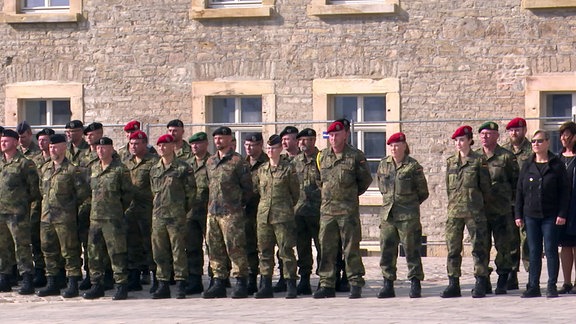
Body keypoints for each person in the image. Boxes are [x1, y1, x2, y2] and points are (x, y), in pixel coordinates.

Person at [314, 119, 372, 299]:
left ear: (345, 135)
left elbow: (364, 181)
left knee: (351, 248)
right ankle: (326, 284)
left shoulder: (355, 156)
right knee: (327, 248)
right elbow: (319, 180)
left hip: (347, 212)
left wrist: (348, 196)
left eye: (337, 135)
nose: (333, 138)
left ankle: (354, 282)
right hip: (327, 212)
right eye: (330, 135)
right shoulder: (322, 156)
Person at [515, 129, 570, 298]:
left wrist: (562, 213)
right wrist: (518, 214)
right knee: (533, 250)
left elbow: (565, 191)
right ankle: (533, 285)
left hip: (551, 214)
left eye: (539, 141)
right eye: (533, 141)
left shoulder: (556, 165)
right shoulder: (527, 165)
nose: (535, 144)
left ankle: (552, 285)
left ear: (547, 142)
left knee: (551, 250)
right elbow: (519, 191)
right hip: (531, 215)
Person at [36, 134, 90, 298]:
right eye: (51, 146)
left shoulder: (73, 170)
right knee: (48, 250)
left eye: (56, 146)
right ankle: (52, 282)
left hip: (65, 219)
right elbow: (41, 190)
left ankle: (73, 283)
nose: (52, 149)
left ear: (64, 147)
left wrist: (68, 207)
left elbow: (81, 193)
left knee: (70, 251)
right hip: (46, 217)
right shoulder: (45, 168)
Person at [376, 132, 429, 298]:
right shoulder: (383, 165)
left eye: (397, 145)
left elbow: (423, 191)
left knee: (411, 250)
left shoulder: (413, 166)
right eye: (391, 146)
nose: (394, 148)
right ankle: (388, 283)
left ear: (404, 146)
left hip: (408, 216)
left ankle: (415, 282)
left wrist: (409, 205)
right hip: (388, 215)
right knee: (387, 250)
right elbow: (381, 187)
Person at [203, 126, 253, 299]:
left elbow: (247, 188)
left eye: (221, 138)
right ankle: (219, 281)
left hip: (231, 213)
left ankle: (240, 281)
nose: (218, 141)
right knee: (214, 248)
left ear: (229, 139)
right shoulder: (210, 162)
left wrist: (237, 205)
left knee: (235, 247)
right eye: (215, 138)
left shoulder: (238, 162)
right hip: (213, 212)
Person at [441, 125, 491, 299]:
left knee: (479, 248)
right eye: (456, 141)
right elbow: (449, 188)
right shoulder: (450, 162)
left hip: (474, 212)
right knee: (453, 248)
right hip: (454, 212)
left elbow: (486, 188)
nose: (459, 144)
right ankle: (453, 283)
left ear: (470, 140)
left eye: (462, 140)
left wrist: (479, 205)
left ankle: (480, 281)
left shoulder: (479, 161)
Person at [82, 137, 133, 300]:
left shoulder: (120, 169)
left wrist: (117, 209)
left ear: (111, 149)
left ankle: (121, 285)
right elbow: (88, 192)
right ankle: (97, 284)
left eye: (104, 148)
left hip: (113, 219)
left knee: (116, 253)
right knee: (94, 253)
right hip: (95, 218)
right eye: (98, 148)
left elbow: (127, 195)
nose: (100, 150)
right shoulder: (93, 168)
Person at [149, 134, 196, 299]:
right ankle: (163, 283)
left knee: (178, 250)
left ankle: (181, 282)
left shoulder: (183, 168)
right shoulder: (154, 169)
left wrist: (182, 210)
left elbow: (191, 193)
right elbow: (152, 192)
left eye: (165, 145)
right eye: (159, 145)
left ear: (172, 146)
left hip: (176, 216)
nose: (162, 148)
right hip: (158, 216)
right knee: (159, 251)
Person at [253, 134, 300, 299]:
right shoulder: (262, 170)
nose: (270, 151)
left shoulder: (288, 169)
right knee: (264, 252)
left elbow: (295, 193)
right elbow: (258, 191)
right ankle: (265, 284)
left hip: (282, 217)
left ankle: (290, 284)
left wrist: (285, 207)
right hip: (264, 217)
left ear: (280, 149)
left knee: (286, 251)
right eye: (268, 148)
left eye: (273, 148)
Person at [476, 121, 519, 295]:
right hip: (480, 211)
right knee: (481, 246)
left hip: (502, 210)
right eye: (482, 134)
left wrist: (513, 205)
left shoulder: (506, 157)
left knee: (503, 246)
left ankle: (503, 279)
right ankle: (483, 279)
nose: (485, 137)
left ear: (496, 136)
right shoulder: (475, 157)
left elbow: (515, 183)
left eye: (489, 134)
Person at [0, 129, 41, 294]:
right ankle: (4, 277)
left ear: (16, 142)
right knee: (3, 246)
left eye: (7, 141)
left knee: (21, 246)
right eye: (2, 141)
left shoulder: (25, 163)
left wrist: (22, 204)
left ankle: (27, 278)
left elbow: (34, 190)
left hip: (18, 213)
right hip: (1, 212)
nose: (3, 143)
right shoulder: (1, 162)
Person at [124, 130, 159, 293]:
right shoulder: (126, 162)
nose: (133, 147)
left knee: (150, 245)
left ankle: (156, 277)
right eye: (131, 144)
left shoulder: (154, 162)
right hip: (130, 211)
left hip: (148, 210)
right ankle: (134, 277)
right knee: (132, 244)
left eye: (137, 143)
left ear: (145, 144)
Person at [502, 117, 532, 290]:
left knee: (527, 240)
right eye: (511, 130)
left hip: (527, 202)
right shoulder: (504, 151)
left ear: (524, 130)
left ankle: (531, 275)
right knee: (511, 240)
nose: (514, 133)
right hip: (508, 203)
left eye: (517, 130)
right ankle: (512, 274)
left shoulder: (531, 150)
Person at [292, 128, 321, 295]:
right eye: (300, 140)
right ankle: (304, 278)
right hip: (299, 212)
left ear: (314, 140)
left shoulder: (322, 159)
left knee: (322, 247)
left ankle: (324, 279)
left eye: (306, 140)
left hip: (317, 212)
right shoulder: (295, 162)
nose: (302, 143)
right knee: (302, 247)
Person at [184, 132, 211, 295]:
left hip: (208, 211)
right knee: (192, 247)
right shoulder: (187, 164)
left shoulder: (213, 162)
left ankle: (217, 278)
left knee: (213, 247)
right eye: (192, 144)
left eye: (198, 143)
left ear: (206, 144)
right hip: (191, 212)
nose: (194, 146)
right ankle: (195, 279)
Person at [30, 127, 57, 288]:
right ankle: (40, 271)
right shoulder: (34, 160)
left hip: (55, 208)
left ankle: (57, 273)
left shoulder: (58, 161)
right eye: (39, 140)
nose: (42, 143)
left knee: (54, 242)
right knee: (37, 239)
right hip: (37, 205)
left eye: (45, 140)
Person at [243, 132, 268, 294]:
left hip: (264, 211)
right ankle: (251, 278)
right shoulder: (241, 164)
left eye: (252, 145)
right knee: (249, 246)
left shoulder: (268, 162)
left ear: (260, 145)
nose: (249, 149)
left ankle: (267, 280)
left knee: (265, 247)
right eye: (246, 145)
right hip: (246, 211)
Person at [557, 122, 576, 294]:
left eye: (567, 134)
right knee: (565, 246)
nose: (563, 138)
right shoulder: (558, 158)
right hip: (562, 209)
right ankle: (567, 282)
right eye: (562, 135)